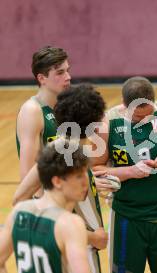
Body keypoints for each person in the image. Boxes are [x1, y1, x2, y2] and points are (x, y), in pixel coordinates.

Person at [93, 76, 157, 273]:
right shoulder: (106, 124)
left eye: (149, 114)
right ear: (124, 106)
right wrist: (131, 171)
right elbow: (95, 169)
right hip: (127, 217)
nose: (144, 120)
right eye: (138, 118)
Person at [13, 84, 109, 273]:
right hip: (77, 250)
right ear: (94, 122)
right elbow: (21, 200)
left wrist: (93, 183)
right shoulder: (65, 154)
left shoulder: (60, 149)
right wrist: (91, 237)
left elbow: (19, 198)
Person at [0, 139, 91, 273]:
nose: (85, 181)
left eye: (85, 173)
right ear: (57, 181)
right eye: (79, 176)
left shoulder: (18, 212)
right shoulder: (70, 224)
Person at [16, 46, 71, 198]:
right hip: (48, 204)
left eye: (67, 70)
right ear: (42, 78)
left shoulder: (64, 107)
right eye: (60, 72)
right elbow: (27, 174)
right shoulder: (32, 111)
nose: (68, 77)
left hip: (67, 196)